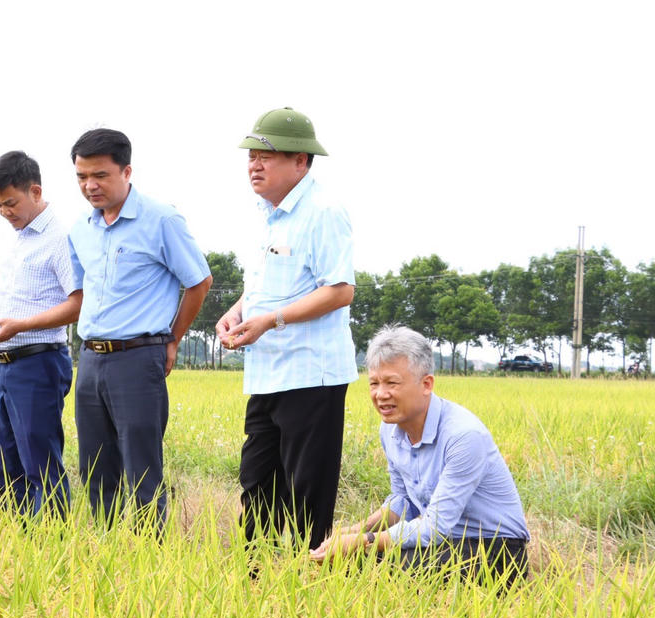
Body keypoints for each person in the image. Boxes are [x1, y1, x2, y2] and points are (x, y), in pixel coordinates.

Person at [216, 107, 357, 553]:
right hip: (268, 374)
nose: (255, 165)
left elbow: (339, 291)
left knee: (305, 492)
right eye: (252, 156)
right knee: (256, 483)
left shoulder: (323, 212)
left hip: (310, 376)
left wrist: (271, 321)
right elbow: (265, 285)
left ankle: (310, 585)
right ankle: (255, 580)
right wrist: (237, 311)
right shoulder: (266, 215)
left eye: (267, 156)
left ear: (302, 161)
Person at [68, 128, 212, 531]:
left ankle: (150, 558)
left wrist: (173, 337)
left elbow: (199, 281)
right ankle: (105, 549)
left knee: (142, 469)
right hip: (91, 359)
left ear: (127, 171)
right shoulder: (81, 228)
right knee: (95, 467)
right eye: (81, 177)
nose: (90, 186)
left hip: (138, 357)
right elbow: (80, 291)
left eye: (100, 175)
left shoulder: (161, 220)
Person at [311, 325, 531, 582]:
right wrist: (356, 530)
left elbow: (433, 528)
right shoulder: (390, 430)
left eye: (392, 382)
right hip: (440, 543)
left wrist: (363, 541)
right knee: (345, 561)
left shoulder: (463, 436)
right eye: (374, 383)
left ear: (426, 384)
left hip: (495, 550)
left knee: (378, 567)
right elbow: (404, 501)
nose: (381, 394)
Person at [0, 151, 81, 518]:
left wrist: (21, 326)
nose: (5, 212)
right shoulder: (19, 239)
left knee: (39, 462)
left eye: (10, 203)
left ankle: (52, 542)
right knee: (4, 463)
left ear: (35, 191)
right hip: (2, 364)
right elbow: (10, 291)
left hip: (37, 362)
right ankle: (23, 539)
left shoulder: (61, 238)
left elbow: (78, 303)